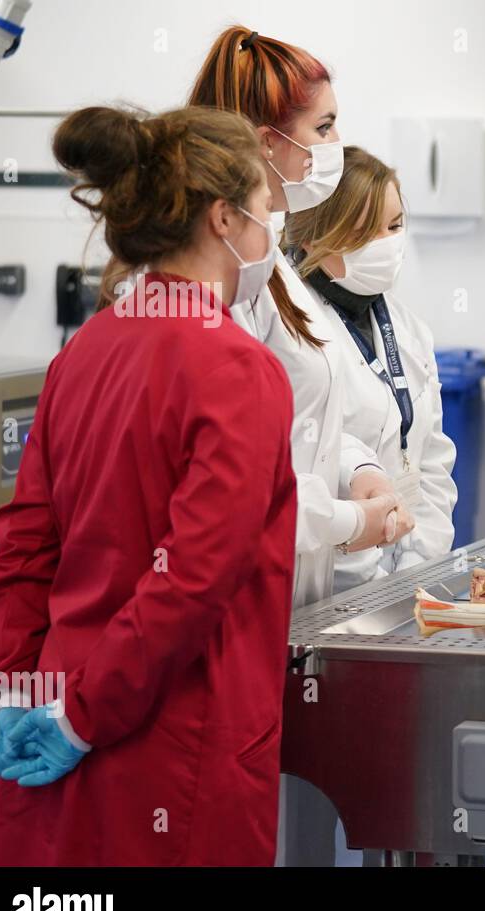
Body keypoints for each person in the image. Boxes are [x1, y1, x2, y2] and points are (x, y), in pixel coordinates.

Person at [0, 105, 297, 866]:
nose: (267, 233)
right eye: (261, 209)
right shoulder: (238, 369)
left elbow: (23, 548)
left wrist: (11, 692)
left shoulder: (86, 350)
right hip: (169, 744)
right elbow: (191, 578)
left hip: (57, 734)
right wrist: (84, 714)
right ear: (223, 218)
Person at [188, 25, 408, 608]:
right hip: (239, 597)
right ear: (267, 143)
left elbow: (301, 424)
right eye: (325, 127)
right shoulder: (222, 284)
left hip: (290, 600)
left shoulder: (270, 265)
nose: (339, 144)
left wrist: (357, 469)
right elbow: (238, 486)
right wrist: (345, 520)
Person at [285, 146, 457, 590]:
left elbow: (433, 457)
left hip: (408, 575)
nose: (387, 243)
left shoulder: (407, 327)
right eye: (364, 232)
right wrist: (370, 577)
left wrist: (421, 566)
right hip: (329, 579)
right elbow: (304, 454)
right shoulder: (291, 330)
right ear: (312, 238)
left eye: (395, 226)